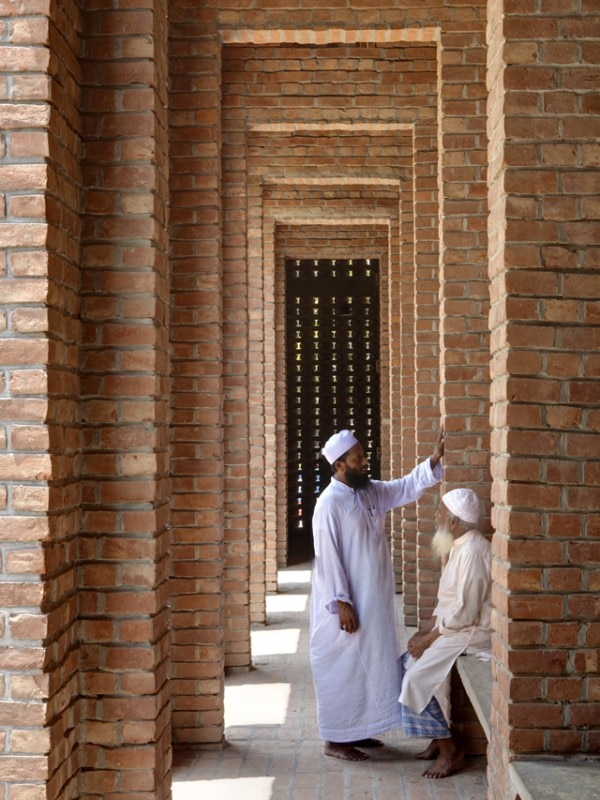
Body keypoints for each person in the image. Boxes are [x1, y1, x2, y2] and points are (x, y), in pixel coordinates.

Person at [309, 426, 444, 761]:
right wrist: (342, 603)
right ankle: (336, 739)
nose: (365, 462)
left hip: (374, 599)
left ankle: (359, 729)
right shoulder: (328, 505)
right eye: (358, 458)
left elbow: (405, 487)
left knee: (370, 663)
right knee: (342, 666)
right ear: (339, 465)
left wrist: (433, 461)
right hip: (348, 602)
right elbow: (328, 558)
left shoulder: (369, 492)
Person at [398, 487, 493, 779]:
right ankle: (438, 739)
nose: (436, 516)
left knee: (416, 677)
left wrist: (429, 638)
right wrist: (425, 629)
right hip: (455, 627)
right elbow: (449, 602)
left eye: (440, 512)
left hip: (472, 632)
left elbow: (464, 614)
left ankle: (450, 749)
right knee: (404, 662)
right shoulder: (460, 545)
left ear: (453, 520)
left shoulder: (474, 552)